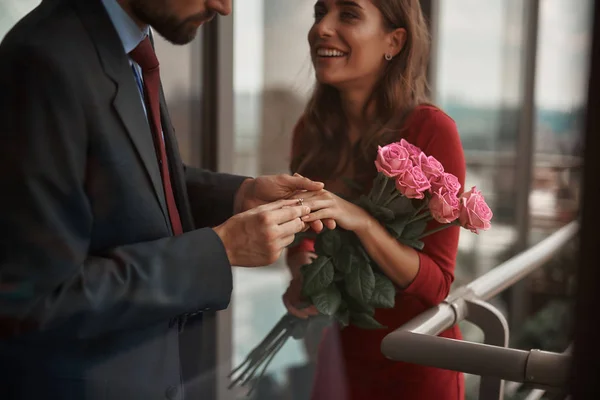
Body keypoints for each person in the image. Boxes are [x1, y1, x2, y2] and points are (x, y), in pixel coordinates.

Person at [0, 0, 325, 399]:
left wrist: (239, 194)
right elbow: (40, 300)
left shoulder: (129, 39)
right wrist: (219, 250)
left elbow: (128, 174)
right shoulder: (42, 61)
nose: (223, 7)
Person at [283, 0, 466, 399]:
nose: (321, 29)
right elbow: (304, 238)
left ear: (394, 41)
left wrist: (362, 222)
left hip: (415, 364)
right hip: (338, 358)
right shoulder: (310, 132)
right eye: (319, 12)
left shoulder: (431, 130)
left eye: (347, 14)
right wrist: (301, 269)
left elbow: (436, 284)